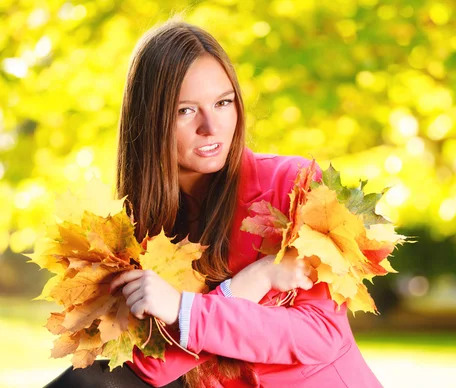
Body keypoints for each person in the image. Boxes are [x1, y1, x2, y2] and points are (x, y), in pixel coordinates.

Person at [46, 19, 382, 388]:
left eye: (223, 103)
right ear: (150, 120)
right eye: (185, 111)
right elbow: (153, 367)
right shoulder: (136, 233)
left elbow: (320, 334)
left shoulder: (293, 186)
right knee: (91, 380)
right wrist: (245, 285)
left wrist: (183, 309)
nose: (212, 127)